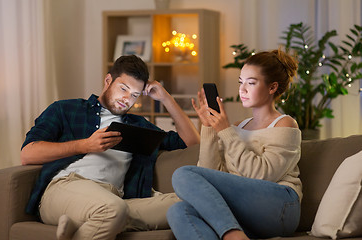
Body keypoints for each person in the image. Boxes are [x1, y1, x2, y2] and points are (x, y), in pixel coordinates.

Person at [20, 55, 200, 240]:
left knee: (192, 203)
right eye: (123, 88)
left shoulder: (138, 126)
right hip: (65, 188)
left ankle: (86, 224)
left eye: (134, 95)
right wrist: (84, 145)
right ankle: (99, 217)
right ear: (108, 81)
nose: (127, 99)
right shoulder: (66, 109)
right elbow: (28, 153)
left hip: (117, 198)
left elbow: (191, 143)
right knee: (112, 209)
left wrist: (165, 97)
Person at [166, 49, 302, 240]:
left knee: (183, 174)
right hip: (245, 212)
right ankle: (233, 232)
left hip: (281, 207)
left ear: (272, 87)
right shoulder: (238, 127)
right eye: (241, 82)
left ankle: (232, 235)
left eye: (251, 83)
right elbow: (210, 172)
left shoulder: (285, 124)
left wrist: (225, 132)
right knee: (179, 210)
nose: (242, 89)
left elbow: (261, 176)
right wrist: (210, 129)